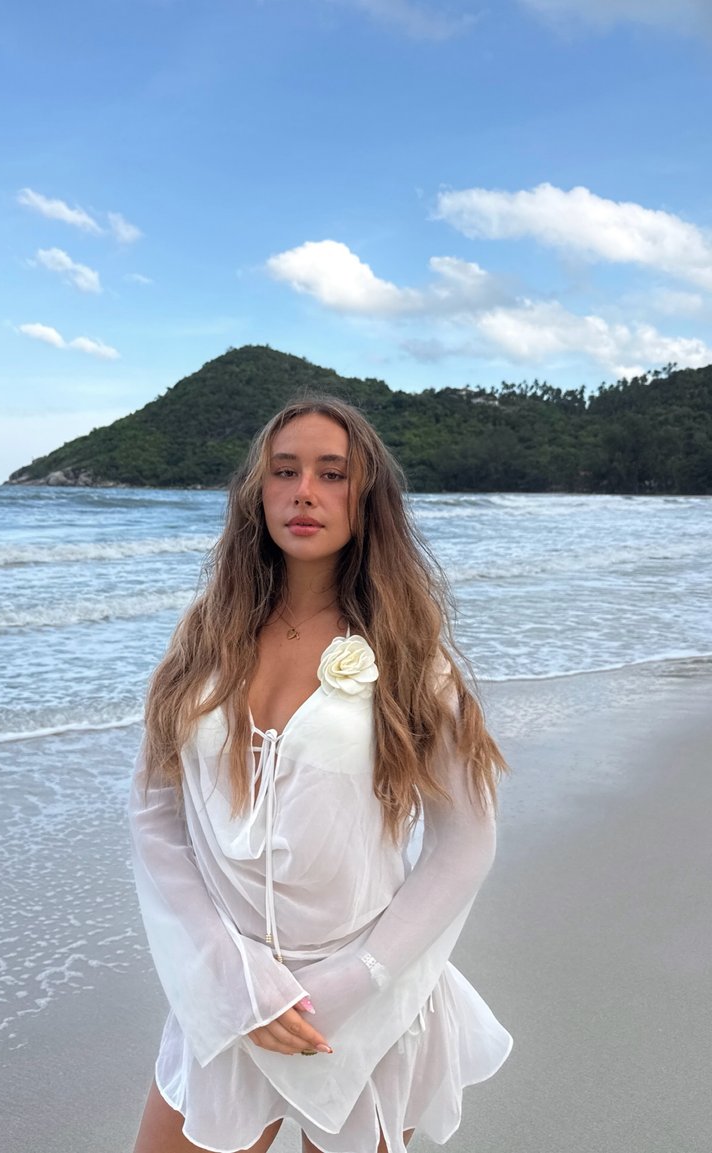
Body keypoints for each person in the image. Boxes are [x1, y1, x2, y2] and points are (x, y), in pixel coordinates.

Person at [129, 397, 512, 1153]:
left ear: (366, 500)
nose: (304, 491)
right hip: (232, 995)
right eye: (285, 471)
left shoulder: (407, 651)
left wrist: (353, 981)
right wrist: (229, 973)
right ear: (258, 491)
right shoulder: (204, 636)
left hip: (367, 1001)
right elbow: (155, 816)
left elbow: (465, 840)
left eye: (332, 474)